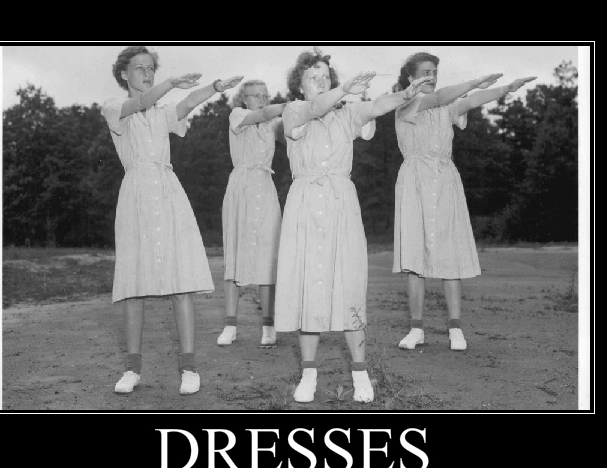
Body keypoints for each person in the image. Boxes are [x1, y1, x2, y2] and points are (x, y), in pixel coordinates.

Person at [276, 48, 432, 404]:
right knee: (308, 288)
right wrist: (344, 88)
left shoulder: (346, 113)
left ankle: (360, 374)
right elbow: (317, 107)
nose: (321, 82)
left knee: (349, 285)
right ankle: (309, 374)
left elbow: (376, 106)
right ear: (299, 85)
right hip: (304, 205)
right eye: (312, 77)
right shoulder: (293, 110)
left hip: (341, 205)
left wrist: (405, 94)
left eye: (325, 76)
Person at [101, 46, 242, 396]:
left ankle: (189, 368)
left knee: (181, 283)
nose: (147, 73)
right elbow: (141, 101)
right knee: (134, 287)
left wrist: (215, 87)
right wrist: (171, 82)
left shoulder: (163, 111)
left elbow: (188, 102)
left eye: (151, 67)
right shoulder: (114, 106)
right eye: (139, 68)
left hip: (168, 192)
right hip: (135, 196)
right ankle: (132, 369)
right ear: (124, 74)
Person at [392, 52, 535, 351]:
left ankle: (455, 329)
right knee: (414, 260)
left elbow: (471, 101)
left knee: (451, 255)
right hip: (414, 181)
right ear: (410, 77)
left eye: (434, 72)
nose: (431, 77)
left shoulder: (446, 107)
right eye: (425, 72)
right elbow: (440, 96)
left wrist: (506, 89)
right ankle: (416, 329)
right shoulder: (405, 104)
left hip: (445, 180)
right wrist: (474, 81)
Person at [217, 80, 287, 349]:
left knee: (268, 258)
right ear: (243, 98)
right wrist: (289, 105)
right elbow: (264, 113)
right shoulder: (237, 115)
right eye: (254, 95)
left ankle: (268, 326)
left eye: (264, 95)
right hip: (240, 189)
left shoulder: (274, 123)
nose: (260, 99)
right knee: (235, 255)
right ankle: (230, 326)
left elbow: (292, 132)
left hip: (265, 188)